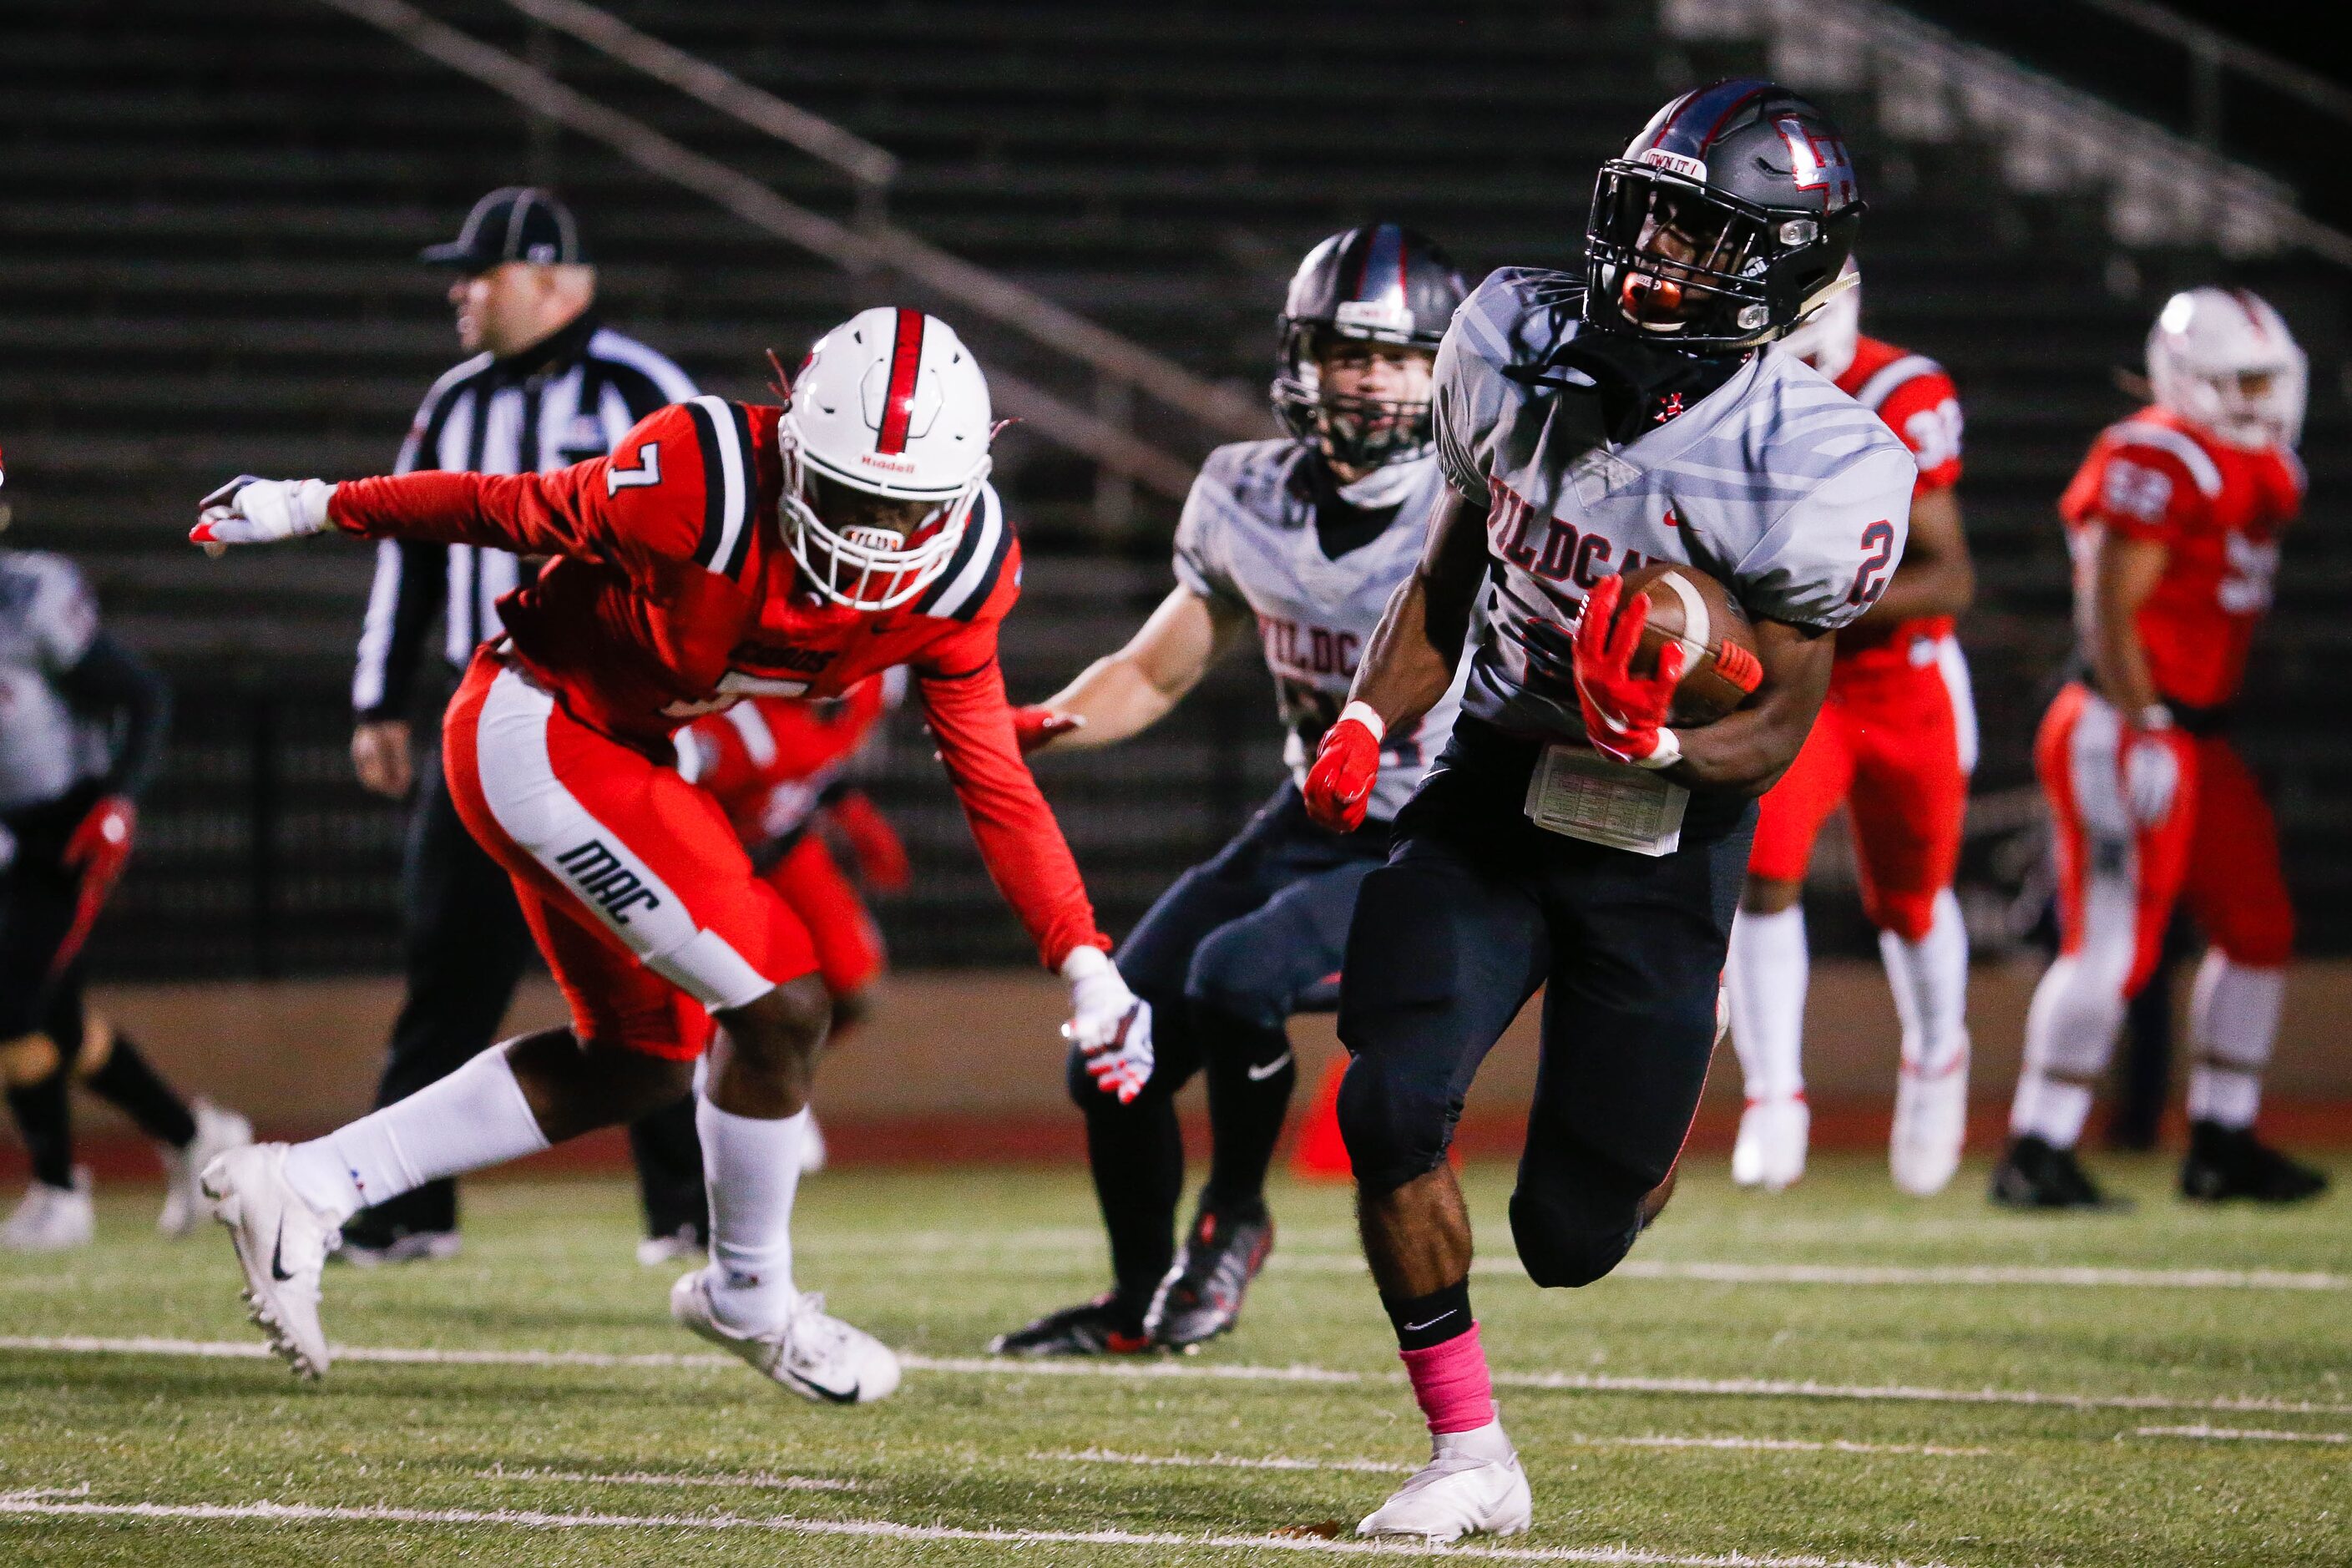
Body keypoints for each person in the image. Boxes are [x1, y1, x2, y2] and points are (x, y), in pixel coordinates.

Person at [189, 306, 1145, 1404]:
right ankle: (750, 1293)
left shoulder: (965, 569)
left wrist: (1086, 960)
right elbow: (508, 507)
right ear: (793, 446)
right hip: (535, 724)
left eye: (906, 507)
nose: (876, 533)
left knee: (644, 1057)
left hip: (629, 752)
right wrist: (312, 505)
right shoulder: (702, 473)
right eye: (850, 496)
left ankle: (307, 1182)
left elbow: (991, 774)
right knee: (782, 1002)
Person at [1299, 81, 1914, 1540]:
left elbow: (1774, 721)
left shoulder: (1816, 463)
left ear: (1776, 267)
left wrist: (1664, 747)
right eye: (1645, 212)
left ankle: (1665, 1068)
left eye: (1699, 234)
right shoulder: (1510, 340)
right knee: (1387, 1101)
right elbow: (1455, 567)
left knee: (1570, 1238)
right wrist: (1366, 715)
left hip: (1659, 838)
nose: (1651, 251)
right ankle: (1469, 1454)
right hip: (1497, 789)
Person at [990, 226, 1468, 1357]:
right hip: (1310, 815)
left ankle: (1234, 1216)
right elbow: (1157, 667)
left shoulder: (1476, 507)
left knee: (1234, 975)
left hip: (1429, 838)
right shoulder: (1241, 489)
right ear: (1299, 358)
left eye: (1402, 357)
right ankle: (1132, 1306)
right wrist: (1030, 728)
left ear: (1444, 371)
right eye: (1348, 351)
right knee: (1109, 1059)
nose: (1371, 378)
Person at [344, 186, 710, 1266]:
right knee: (446, 970)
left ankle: (685, 1209)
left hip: (604, 730)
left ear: (554, 279)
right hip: (476, 721)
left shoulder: (647, 390)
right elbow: (405, 554)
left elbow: (702, 553)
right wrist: (378, 699)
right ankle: (407, 1209)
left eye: (479, 271)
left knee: (652, 960)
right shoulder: (453, 400)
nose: (459, 291)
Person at [1995, 286, 2325, 1209]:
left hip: (2196, 733)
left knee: (2258, 927)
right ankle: (2036, 1147)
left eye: (2272, 380)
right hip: (2127, 716)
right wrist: (2141, 722)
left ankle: (2222, 1137)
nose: (2261, 400)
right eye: (2242, 381)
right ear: (2190, 378)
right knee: (2114, 945)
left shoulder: (2257, 465)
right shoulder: (2156, 452)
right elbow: (2107, 605)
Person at [1724, 257, 1979, 1195]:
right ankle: (1774, 1094)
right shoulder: (1722, 389)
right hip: (1803, 683)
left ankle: (1936, 1059)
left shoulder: (1897, 390)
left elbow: (1947, 576)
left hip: (1897, 682)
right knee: (1765, 873)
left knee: (1911, 901)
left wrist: (1803, 600)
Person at [0, 452, 250, 1249]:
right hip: (5, 832)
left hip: (64, 823)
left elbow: (143, 695)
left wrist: (117, 802)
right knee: (58, 1021)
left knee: (10, 1005)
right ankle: (193, 1136)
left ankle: (59, 1189)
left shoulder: (24, 596)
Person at [671, 672, 910, 1191]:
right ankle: (743, 1090)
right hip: (722, 859)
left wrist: (846, 806)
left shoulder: (876, 678)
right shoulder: (728, 725)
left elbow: (825, 758)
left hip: (791, 844)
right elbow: (668, 789)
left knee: (857, 992)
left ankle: (765, 1078)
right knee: (758, 1001)